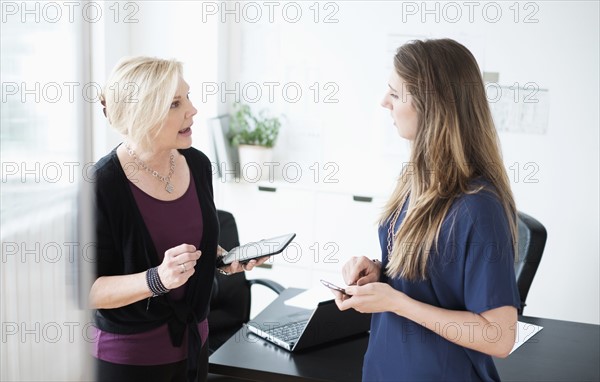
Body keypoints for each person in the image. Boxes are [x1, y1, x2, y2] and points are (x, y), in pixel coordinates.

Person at [332, 39, 521, 381]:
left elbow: (500, 337)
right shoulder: (417, 180)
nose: (384, 102)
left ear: (430, 104)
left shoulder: (479, 207)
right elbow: (427, 276)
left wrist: (395, 301)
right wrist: (378, 271)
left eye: (395, 93)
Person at [90, 56, 268, 382]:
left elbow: (189, 239)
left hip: (193, 347)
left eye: (187, 97)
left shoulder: (197, 165)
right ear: (143, 113)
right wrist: (156, 279)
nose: (192, 110)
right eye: (175, 103)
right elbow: (88, 289)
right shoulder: (103, 184)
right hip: (131, 359)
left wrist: (223, 259)